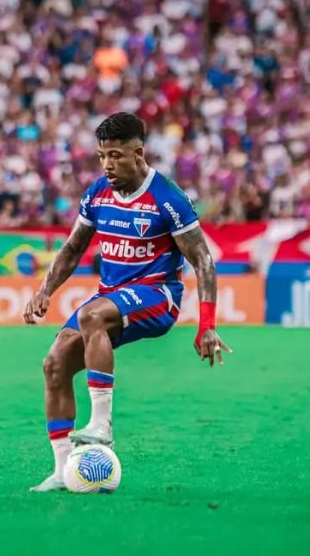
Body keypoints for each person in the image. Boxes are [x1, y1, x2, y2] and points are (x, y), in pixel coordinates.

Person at [23, 112, 231, 492]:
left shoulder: (168, 199)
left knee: (91, 316)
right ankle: (62, 470)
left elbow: (203, 260)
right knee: (54, 364)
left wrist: (207, 325)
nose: (107, 164)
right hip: (111, 297)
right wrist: (44, 291)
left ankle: (101, 424)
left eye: (115, 155)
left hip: (158, 295)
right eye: (102, 156)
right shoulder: (98, 193)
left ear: (139, 153)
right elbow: (72, 249)